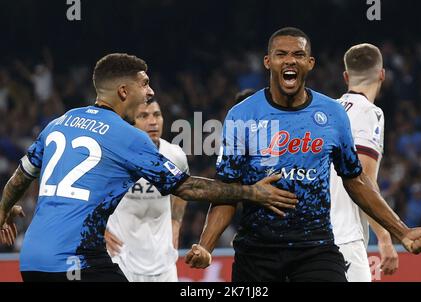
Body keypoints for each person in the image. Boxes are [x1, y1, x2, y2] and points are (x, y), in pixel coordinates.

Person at [0, 53, 298, 282]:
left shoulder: (59, 123)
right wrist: (252, 193)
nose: (150, 90)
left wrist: (3, 212)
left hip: (33, 262)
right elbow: (187, 187)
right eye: (144, 83)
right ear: (123, 91)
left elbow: (19, 178)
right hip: (78, 261)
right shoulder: (127, 136)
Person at [185, 27, 421, 282]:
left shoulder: (333, 114)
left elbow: (356, 181)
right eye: (281, 54)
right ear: (268, 62)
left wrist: (402, 232)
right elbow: (227, 189)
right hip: (257, 253)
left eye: (298, 54)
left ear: (310, 63)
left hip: (315, 249)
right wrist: (206, 246)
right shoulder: (242, 115)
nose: (290, 60)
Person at [330, 43, 398, 282]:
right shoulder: (370, 113)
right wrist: (385, 236)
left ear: (346, 76)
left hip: (312, 239)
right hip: (345, 237)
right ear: (382, 74)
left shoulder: (327, 111)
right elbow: (363, 181)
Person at [105, 100, 189, 282]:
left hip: (164, 264)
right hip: (121, 260)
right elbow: (86, 192)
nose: (153, 121)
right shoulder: (116, 156)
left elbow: (185, 190)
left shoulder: (175, 155)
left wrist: (176, 222)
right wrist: (99, 230)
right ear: (131, 123)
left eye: (157, 115)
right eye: (144, 116)